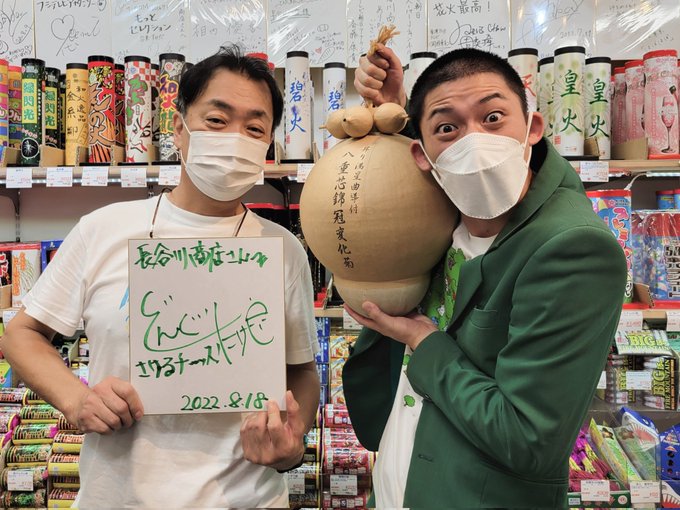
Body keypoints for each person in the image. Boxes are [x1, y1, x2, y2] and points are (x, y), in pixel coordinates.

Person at [0, 46, 320, 508]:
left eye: (254, 128)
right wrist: (76, 399)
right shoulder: (104, 229)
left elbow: (302, 371)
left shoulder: (282, 249)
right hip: (117, 497)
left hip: (245, 498)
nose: (234, 139)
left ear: (267, 144)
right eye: (216, 120)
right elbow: (21, 335)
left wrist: (293, 434)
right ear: (179, 128)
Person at [343, 45, 627, 508]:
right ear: (422, 155)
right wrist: (398, 107)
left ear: (533, 128)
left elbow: (529, 437)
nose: (473, 143)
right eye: (448, 128)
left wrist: (424, 342)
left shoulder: (573, 247)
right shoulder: (445, 207)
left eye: (493, 118)